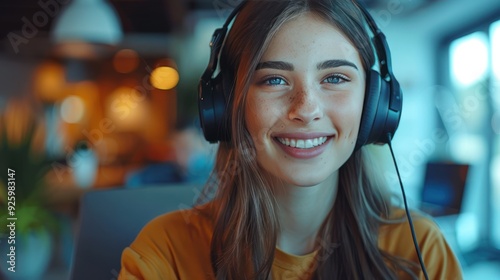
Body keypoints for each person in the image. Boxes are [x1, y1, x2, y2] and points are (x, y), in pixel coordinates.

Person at [119, 0, 463, 279]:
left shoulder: (420, 249)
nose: (306, 110)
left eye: (336, 77)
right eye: (274, 80)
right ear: (226, 105)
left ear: (375, 104)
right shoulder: (165, 255)